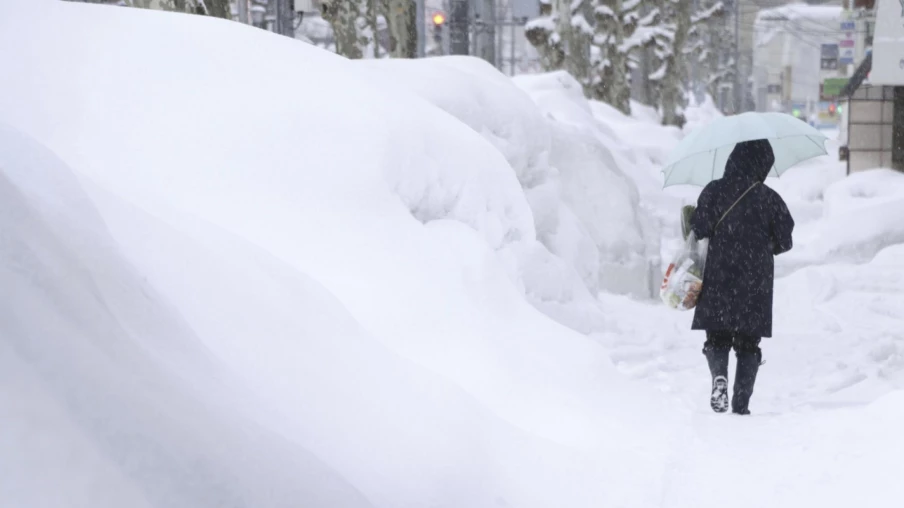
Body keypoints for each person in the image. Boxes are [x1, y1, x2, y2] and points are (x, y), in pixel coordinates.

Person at [690, 139, 794, 415]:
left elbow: (698, 228)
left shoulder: (713, 190)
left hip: (719, 272)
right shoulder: (770, 199)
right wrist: (762, 245)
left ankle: (719, 378)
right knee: (749, 342)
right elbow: (785, 240)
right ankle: (741, 403)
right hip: (755, 278)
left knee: (718, 335)